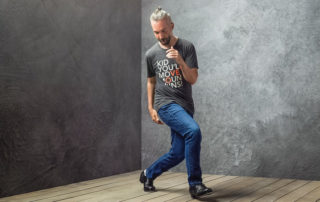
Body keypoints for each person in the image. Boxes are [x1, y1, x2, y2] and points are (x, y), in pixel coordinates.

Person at [139, 7, 212, 198]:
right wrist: (150, 107)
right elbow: (151, 81)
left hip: (185, 106)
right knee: (193, 131)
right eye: (156, 32)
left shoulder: (187, 47)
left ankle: (148, 174)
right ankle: (195, 184)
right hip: (165, 104)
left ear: (171, 26)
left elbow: (193, 79)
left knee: (178, 152)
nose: (160, 35)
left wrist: (180, 60)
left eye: (164, 30)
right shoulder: (151, 54)